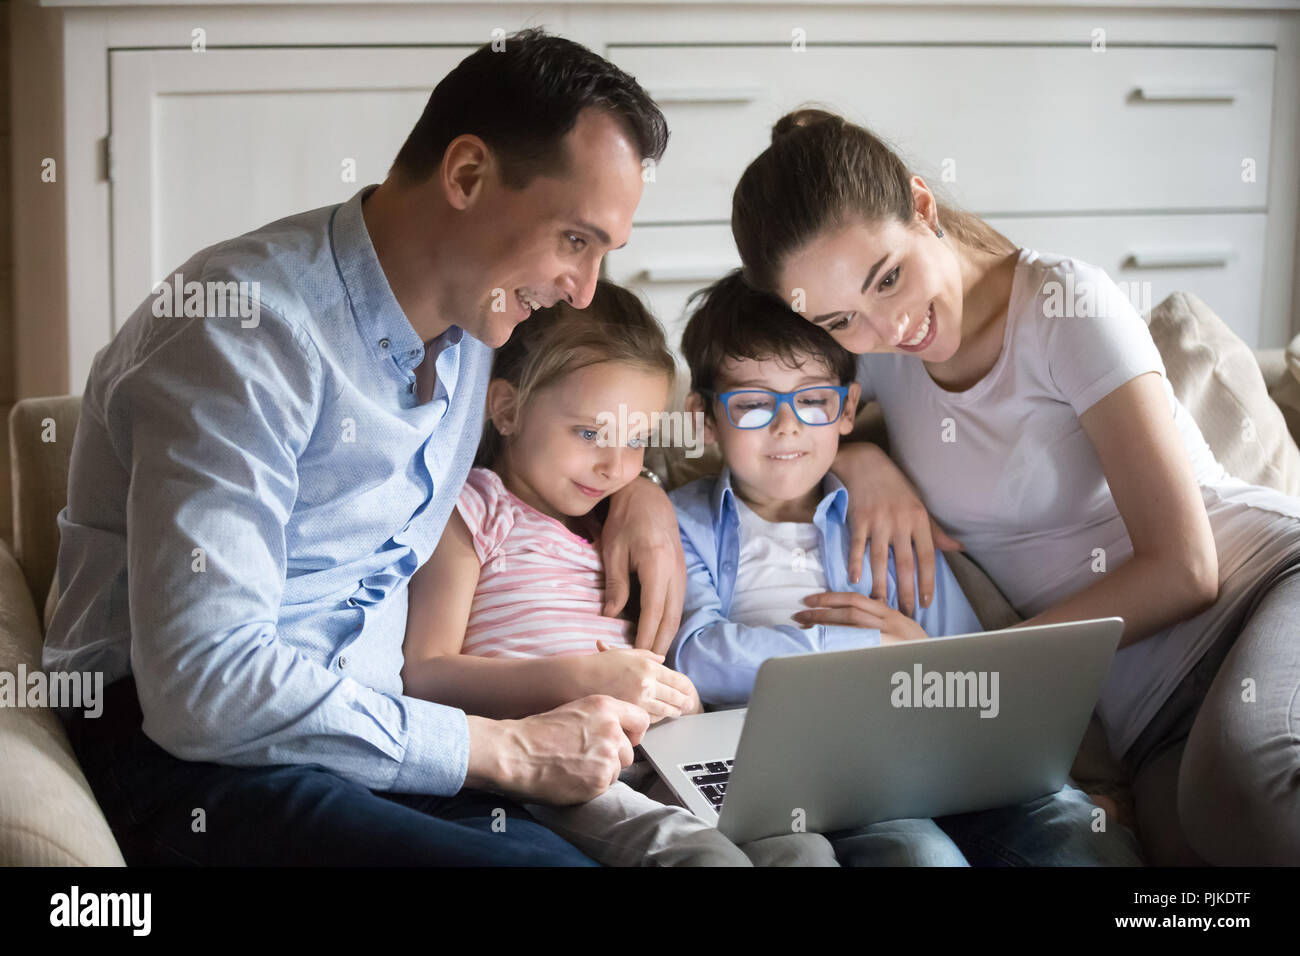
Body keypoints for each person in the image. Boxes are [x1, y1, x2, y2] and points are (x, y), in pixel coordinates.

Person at [43, 28, 691, 866]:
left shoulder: (479, 330)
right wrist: (504, 751)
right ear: (466, 175)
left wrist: (640, 494)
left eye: (604, 253)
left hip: (377, 734)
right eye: (575, 239)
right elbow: (203, 682)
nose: (583, 289)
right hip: (195, 753)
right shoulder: (241, 330)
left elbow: (562, 435)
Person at [728, 107, 1300, 865]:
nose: (889, 327)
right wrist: (860, 460)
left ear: (923, 206)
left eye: (890, 277)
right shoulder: (877, 353)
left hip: (1259, 591)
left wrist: (971, 669)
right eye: (841, 319)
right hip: (1149, 718)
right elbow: (762, 413)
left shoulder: (1066, 307)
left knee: (1241, 789)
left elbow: (1187, 569)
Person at [666, 270, 1143, 865]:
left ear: (846, 409)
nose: (787, 425)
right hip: (812, 773)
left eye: (813, 400)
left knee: (1070, 824)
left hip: (931, 747)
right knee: (919, 853)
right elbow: (696, 657)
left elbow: (963, 659)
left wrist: (923, 661)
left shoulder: (884, 516)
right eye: (754, 403)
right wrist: (865, 645)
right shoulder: (684, 523)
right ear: (705, 418)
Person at [402, 279, 837, 866]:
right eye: (589, 434)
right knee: (704, 858)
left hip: (658, 751)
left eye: (637, 441)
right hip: (555, 763)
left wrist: (684, 705)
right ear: (507, 409)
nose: (615, 465)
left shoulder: (617, 528)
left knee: (800, 845)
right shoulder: (475, 509)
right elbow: (424, 676)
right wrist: (580, 679)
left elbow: (651, 665)